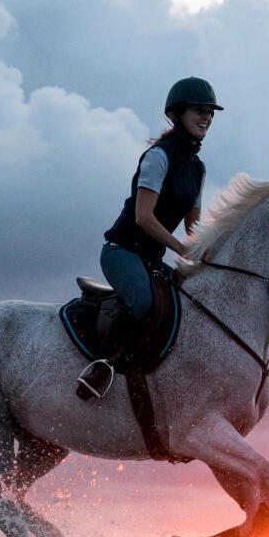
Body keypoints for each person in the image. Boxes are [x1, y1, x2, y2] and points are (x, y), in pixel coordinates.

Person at [77, 77, 222, 400]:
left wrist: (211, 254)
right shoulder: (158, 156)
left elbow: (193, 227)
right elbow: (144, 217)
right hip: (122, 252)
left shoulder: (198, 168)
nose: (207, 117)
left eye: (211, 113)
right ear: (178, 113)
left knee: (189, 304)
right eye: (200, 110)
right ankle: (104, 367)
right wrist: (183, 249)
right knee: (145, 304)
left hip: (151, 260)